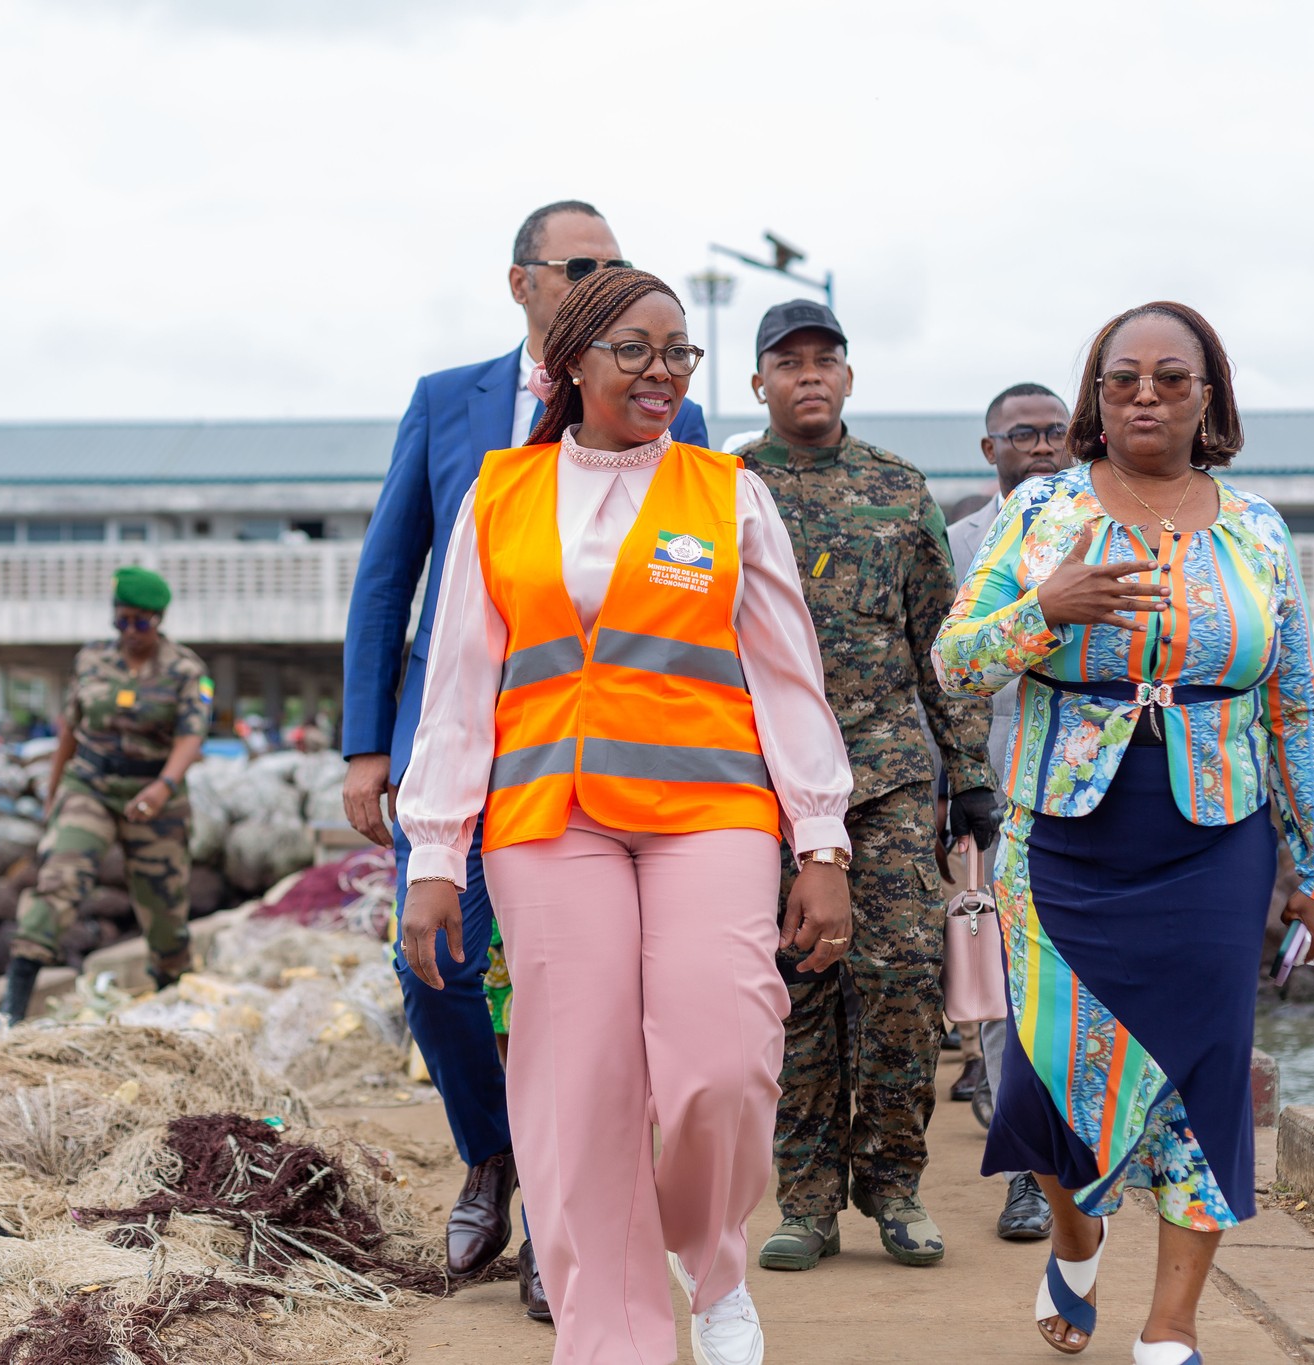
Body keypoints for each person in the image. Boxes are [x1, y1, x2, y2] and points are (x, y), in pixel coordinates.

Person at [397, 267, 850, 1365]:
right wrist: (432, 853)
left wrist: (821, 838)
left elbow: (787, 679)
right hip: (547, 818)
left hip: (708, 808)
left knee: (722, 1059)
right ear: (571, 364)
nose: (662, 373)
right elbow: (460, 686)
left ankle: (712, 1264)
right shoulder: (499, 495)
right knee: (576, 1086)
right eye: (636, 351)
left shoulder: (726, 491)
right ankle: (612, 1339)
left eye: (678, 353)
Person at [933, 302, 1314, 1365]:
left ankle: (1169, 1324)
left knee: (1201, 1065)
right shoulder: (1041, 510)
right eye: (1123, 378)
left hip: (1213, 835)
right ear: (1094, 393)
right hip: (1061, 836)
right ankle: (1074, 1238)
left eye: (1172, 378)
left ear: (1208, 394)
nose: (1145, 395)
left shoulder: (1257, 527)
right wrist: (1046, 607)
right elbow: (952, 661)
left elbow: (1297, 700)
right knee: (1036, 1073)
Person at [340, 201, 708, 1315]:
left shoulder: (672, 415)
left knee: (590, 993)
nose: (603, 281)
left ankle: (564, 1216)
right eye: (580, 266)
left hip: (608, 751)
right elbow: (386, 572)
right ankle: (492, 1152)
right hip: (458, 736)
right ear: (521, 284)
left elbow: (699, 589)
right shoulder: (447, 402)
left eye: (619, 265)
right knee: (434, 964)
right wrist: (366, 745)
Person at [733, 300, 999, 1276]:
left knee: (897, 987)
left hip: (884, 780)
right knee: (797, 995)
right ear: (757, 382)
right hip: (761, 789)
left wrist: (965, 771)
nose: (808, 376)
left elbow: (942, 639)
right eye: (786, 362)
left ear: (847, 377)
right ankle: (804, 1202)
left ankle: (893, 1186)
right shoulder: (728, 488)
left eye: (824, 361)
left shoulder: (896, 489)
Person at [944, 379, 1072, 1244]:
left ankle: (1085, 1157)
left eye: (1057, 431)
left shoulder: (1104, 524)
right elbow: (939, 665)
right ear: (989, 449)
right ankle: (1027, 1175)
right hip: (989, 797)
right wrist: (956, 786)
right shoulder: (955, 543)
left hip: (1092, 791)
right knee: (1002, 987)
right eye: (1022, 433)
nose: (1043, 446)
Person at [1, 568, 211, 1020]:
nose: (131, 632)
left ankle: (172, 1005)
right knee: (59, 880)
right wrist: (54, 792)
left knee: (164, 908)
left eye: (142, 623)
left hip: (156, 793)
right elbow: (69, 729)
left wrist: (163, 786)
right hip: (90, 787)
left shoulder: (185, 669)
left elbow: (191, 737)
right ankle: (12, 1008)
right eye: (123, 620)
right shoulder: (92, 660)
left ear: (159, 619)